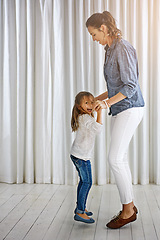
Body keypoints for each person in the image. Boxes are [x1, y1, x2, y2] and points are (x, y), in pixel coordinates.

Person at [86, 11, 145, 229]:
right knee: (119, 159)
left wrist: (107, 104)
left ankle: (128, 210)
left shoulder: (123, 47)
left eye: (93, 34)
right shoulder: (109, 50)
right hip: (119, 108)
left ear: (103, 28)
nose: (93, 38)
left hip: (130, 108)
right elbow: (115, 88)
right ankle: (129, 207)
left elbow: (130, 86)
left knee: (114, 159)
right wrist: (95, 100)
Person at [70, 91, 103, 224]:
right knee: (87, 182)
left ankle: (80, 208)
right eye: (86, 102)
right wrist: (100, 113)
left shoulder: (84, 117)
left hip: (77, 154)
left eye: (91, 102)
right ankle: (80, 212)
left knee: (83, 182)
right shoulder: (85, 118)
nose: (90, 105)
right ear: (79, 106)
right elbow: (97, 130)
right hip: (82, 157)